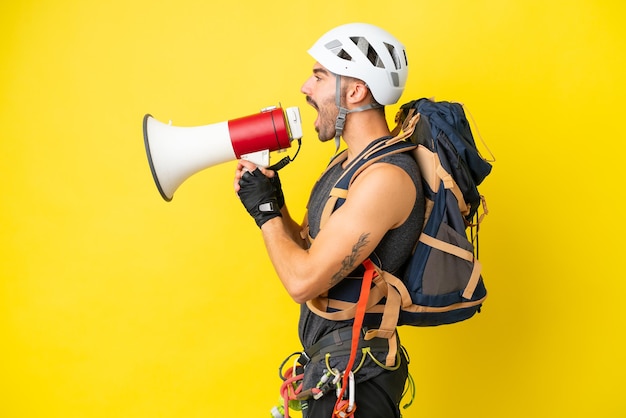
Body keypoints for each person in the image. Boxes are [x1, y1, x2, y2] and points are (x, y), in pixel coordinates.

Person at [234, 23, 425, 418]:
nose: (306, 87)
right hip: (331, 371)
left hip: (357, 379)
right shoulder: (346, 166)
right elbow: (308, 253)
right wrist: (272, 201)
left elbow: (302, 281)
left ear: (355, 91)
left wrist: (266, 213)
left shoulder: (385, 178)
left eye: (320, 76)